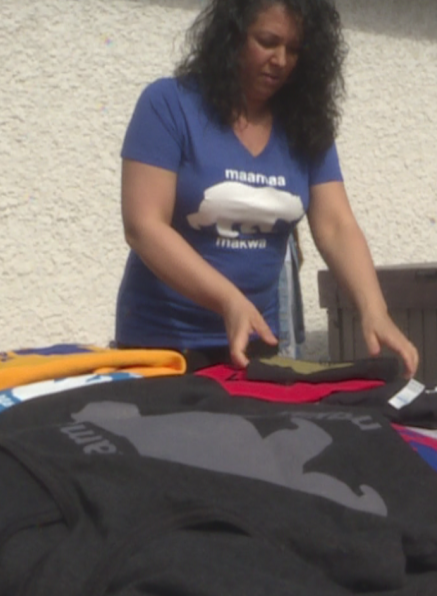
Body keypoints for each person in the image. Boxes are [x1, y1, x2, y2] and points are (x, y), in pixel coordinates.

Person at [115, 0, 418, 377]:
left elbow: (336, 225)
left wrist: (375, 310)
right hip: (163, 344)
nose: (281, 60)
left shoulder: (305, 125)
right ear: (232, 36)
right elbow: (144, 227)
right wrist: (228, 301)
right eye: (267, 41)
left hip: (255, 340)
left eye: (294, 49)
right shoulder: (169, 104)